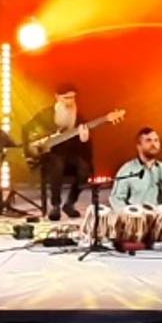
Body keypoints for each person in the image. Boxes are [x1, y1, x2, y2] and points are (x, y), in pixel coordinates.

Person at [22, 84, 93, 221]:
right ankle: (55, 205)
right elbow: (28, 130)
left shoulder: (79, 117)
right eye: (66, 98)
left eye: (72, 98)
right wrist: (42, 140)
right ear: (57, 97)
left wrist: (84, 139)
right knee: (57, 164)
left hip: (71, 154)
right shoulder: (46, 115)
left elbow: (84, 144)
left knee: (85, 168)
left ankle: (70, 203)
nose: (70, 101)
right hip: (50, 155)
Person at [111, 127, 162, 208]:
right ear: (139, 146)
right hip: (137, 215)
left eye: (156, 140)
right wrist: (129, 214)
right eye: (148, 140)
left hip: (159, 215)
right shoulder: (126, 170)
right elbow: (116, 199)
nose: (153, 144)